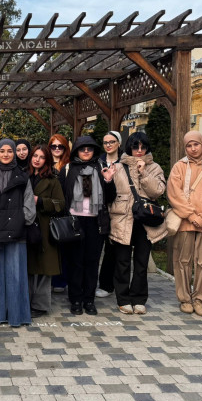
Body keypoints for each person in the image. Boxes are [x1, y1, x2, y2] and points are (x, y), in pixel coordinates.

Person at [104, 132, 167, 315]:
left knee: (141, 262)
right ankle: (123, 299)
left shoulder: (154, 167)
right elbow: (109, 197)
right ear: (129, 147)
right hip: (122, 219)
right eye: (135, 146)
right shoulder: (118, 167)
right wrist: (108, 180)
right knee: (122, 261)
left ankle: (139, 299)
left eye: (143, 147)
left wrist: (143, 172)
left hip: (145, 222)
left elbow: (158, 191)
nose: (139, 150)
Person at [0, 139, 36, 327]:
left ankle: (17, 315)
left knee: (16, 275)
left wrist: (20, 221)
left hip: (17, 233)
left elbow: (29, 207)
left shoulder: (22, 177)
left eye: (9, 151)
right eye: (2, 151)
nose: (5, 154)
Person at [167, 130, 202, 316]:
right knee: (182, 260)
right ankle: (185, 299)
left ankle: (199, 299)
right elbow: (174, 194)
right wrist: (191, 215)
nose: (193, 149)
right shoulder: (179, 167)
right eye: (189, 145)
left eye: (196, 144)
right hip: (185, 221)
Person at [59, 136, 111, 316]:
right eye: (82, 148)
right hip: (74, 221)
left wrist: (109, 181)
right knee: (75, 262)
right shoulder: (68, 169)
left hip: (95, 221)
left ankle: (89, 299)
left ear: (94, 150)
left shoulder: (101, 167)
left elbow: (110, 197)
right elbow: (61, 195)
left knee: (92, 262)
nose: (86, 151)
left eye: (89, 148)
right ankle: (75, 299)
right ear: (77, 151)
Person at [27, 145, 65, 316]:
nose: (37, 159)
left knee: (44, 268)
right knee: (28, 266)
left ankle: (40, 305)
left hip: (44, 227)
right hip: (26, 226)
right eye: (35, 156)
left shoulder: (52, 180)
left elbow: (60, 204)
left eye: (41, 157)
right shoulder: (24, 176)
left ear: (47, 160)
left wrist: (41, 201)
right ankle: (25, 301)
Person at [96, 131, 123, 299]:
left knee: (113, 248)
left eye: (112, 142)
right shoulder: (98, 161)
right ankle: (101, 282)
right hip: (101, 209)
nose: (108, 145)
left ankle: (108, 285)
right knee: (99, 247)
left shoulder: (125, 161)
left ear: (119, 143)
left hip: (120, 209)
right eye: (105, 142)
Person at [47, 134, 71, 293]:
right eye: (53, 146)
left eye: (60, 146)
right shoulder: (45, 164)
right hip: (47, 210)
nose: (56, 149)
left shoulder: (69, 166)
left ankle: (60, 280)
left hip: (63, 211)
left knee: (63, 248)